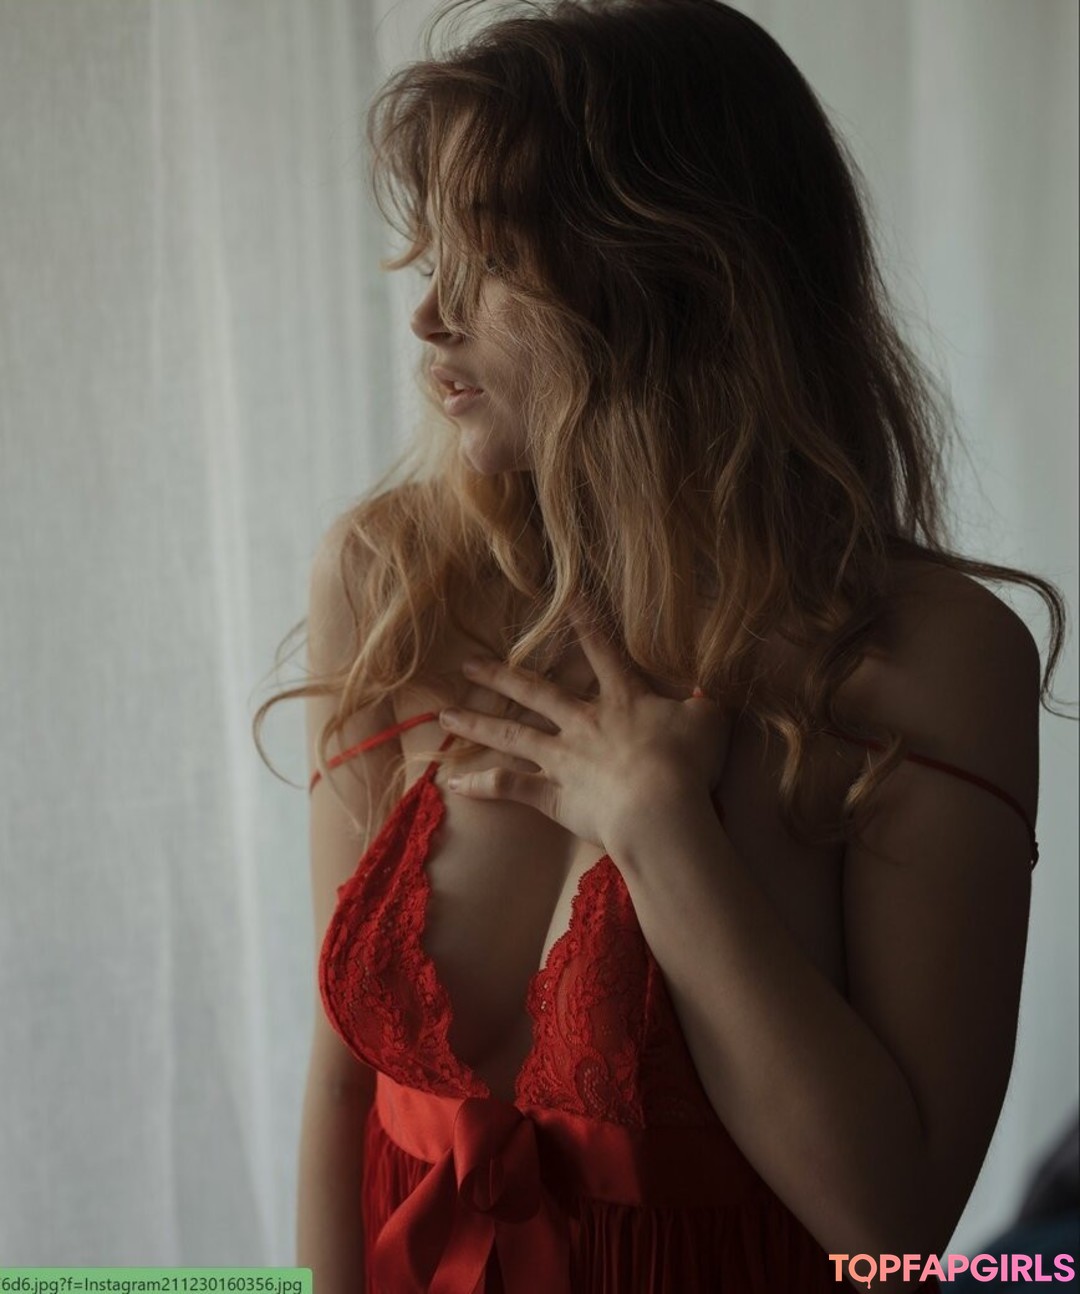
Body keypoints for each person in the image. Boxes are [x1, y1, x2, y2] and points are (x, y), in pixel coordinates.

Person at [253, 1, 1070, 1290]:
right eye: (432, 254)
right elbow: (341, 1086)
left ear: (679, 275)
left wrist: (661, 832)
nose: (431, 317)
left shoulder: (928, 656)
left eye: (492, 256)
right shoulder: (394, 580)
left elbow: (893, 1229)